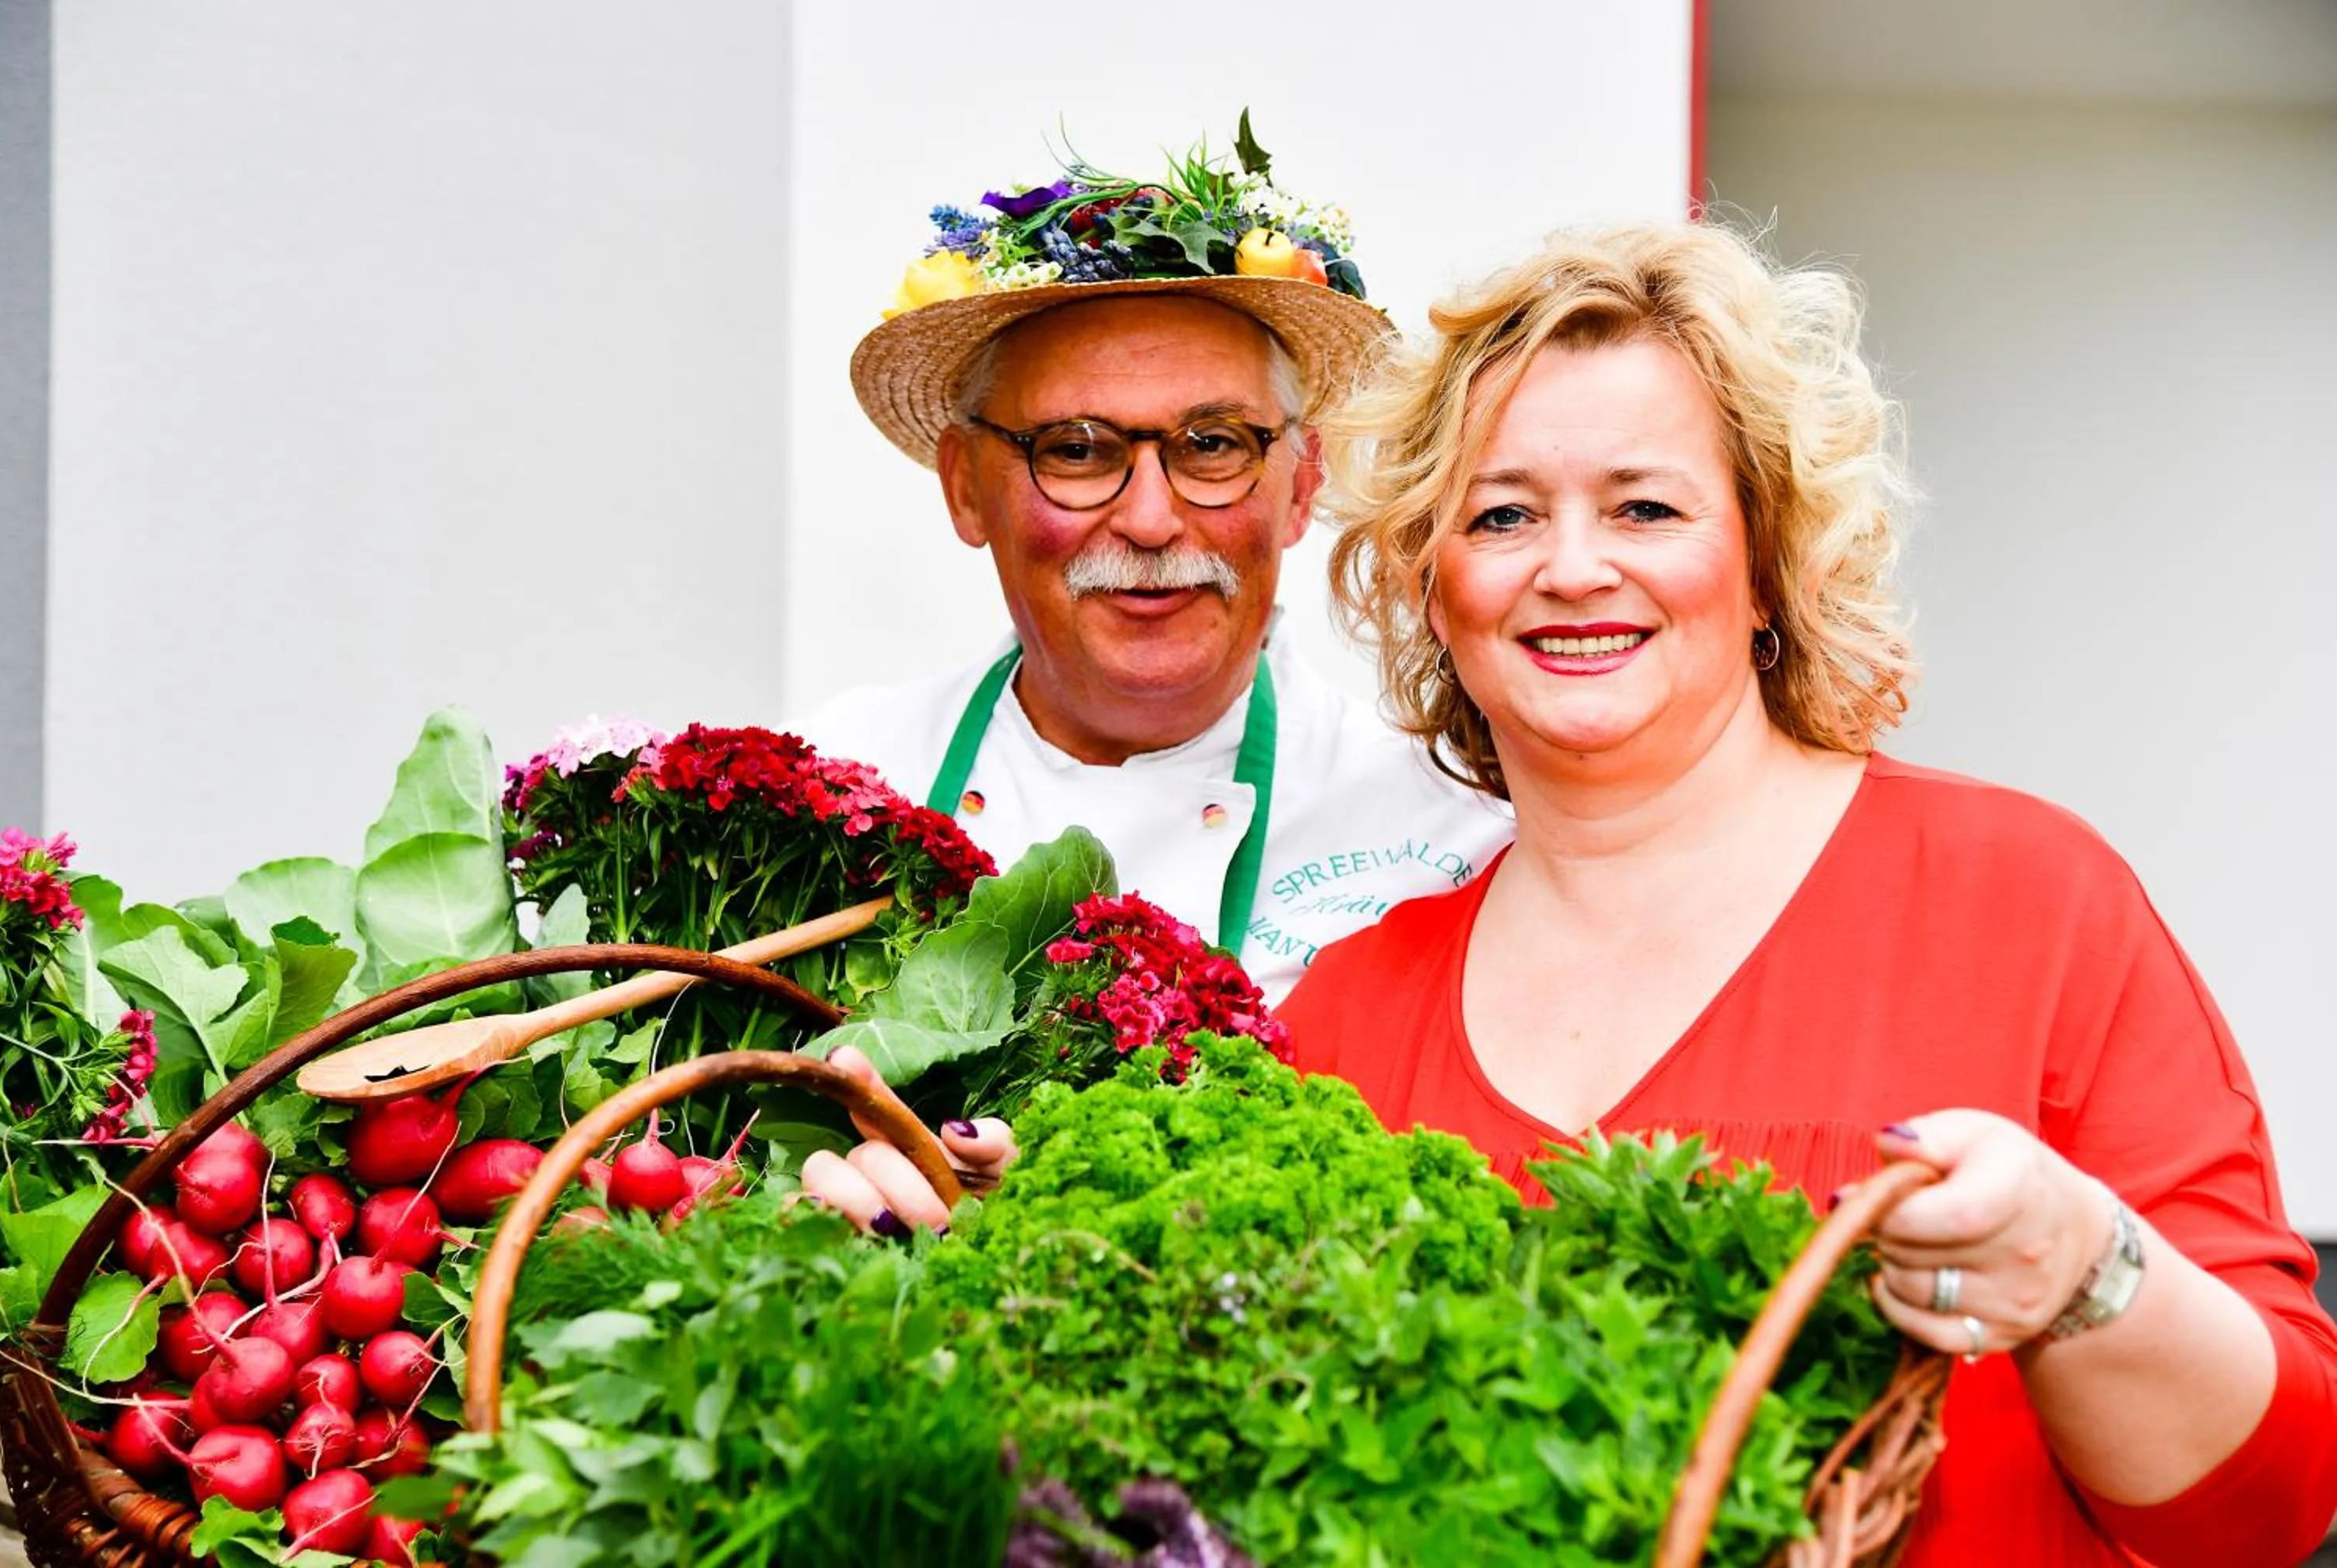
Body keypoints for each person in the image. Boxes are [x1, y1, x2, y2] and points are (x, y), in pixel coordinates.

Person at [1267, 222, 2337, 1564]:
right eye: (1502, 515)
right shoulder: (1350, 1013)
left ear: (1769, 562)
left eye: (1645, 506)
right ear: (1437, 588)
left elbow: (2269, 1506)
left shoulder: (2028, 906)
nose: (1573, 566)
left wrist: (2084, 1274)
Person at [806, 127, 1511, 1011]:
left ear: (1303, 488)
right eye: (1077, 449)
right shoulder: (833, 795)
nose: (1149, 520)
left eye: (1213, 445)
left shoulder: (1454, 835)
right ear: (966, 491)